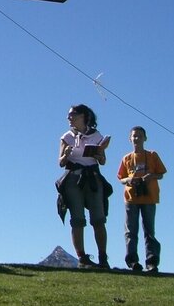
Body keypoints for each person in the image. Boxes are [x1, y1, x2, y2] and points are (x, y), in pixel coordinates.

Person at [56, 104, 112, 269]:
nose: (69, 118)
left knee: (98, 218)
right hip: (73, 179)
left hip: (92, 178)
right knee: (77, 219)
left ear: (83, 116)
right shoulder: (66, 137)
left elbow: (103, 161)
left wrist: (99, 153)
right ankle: (82, 257)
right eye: (69, 115)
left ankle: (103, 257)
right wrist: (66, 155)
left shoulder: (96, 136)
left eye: (73, 114)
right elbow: (60, 162)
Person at [116, 126, 167, 273]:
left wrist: (151, 176)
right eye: (134, 136)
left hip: (149, 197)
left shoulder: (152, 155)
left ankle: (152, 262)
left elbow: (161, 174)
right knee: (131, 231)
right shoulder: (126, 158)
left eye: (139, 136)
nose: (136, 138)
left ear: (145, 138)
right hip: (131, 198)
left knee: (149, 231)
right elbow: (121, 178)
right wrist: (129, 180)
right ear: (130, 139)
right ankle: (133, 261)